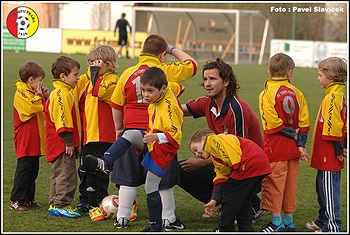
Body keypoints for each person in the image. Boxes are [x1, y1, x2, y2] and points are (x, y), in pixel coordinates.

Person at [86, 34, 197, 231]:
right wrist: (172, 50)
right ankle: (168, 218)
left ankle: (122, 217)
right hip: (159, 136)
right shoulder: (165, 71)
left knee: (128, 177)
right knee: (162, 181)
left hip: (133, 131)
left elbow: (116, 103)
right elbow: (192, 66)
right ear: (162, 55)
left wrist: (119, 128)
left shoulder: (128, 73)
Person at [178, 58, 264, 220]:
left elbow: (240, 154)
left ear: (226, 82)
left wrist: (203, 162)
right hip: (227, 162)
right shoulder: (207, 103)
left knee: (203, 168)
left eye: (213, 79)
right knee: (179, 169)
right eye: (205, 79)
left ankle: (251, 204)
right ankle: (221, 203)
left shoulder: (236, 109)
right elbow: (178, 110)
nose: (208, 83)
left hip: (251, 169)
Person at [258, 52, 310, 232]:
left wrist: (290, 134)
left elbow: (272, 123)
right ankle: (289, 222)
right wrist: (300, 142)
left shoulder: (266, 93)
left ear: (269, 72)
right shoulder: (298, 93)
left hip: (276, 147)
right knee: (290, 183)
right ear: (290, 73)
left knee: (275, 182)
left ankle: (277, 222)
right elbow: (304, 122)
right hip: (293, 149)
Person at [188, 128, 271, 232]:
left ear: (204, 139)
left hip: (249, 163)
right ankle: (246, 229)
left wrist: (235, 170)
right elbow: (221, 176)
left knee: (229, 192)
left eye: (196, 149)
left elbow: (232, 156)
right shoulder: (215, 155)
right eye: (194, 153)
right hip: (260, 165)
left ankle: (225, 228)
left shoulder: (214, 140)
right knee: (243, 200)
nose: (197, 154)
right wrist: (214, 200)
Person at [73, 45, 120, 221]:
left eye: (98, 62)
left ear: (109, 64)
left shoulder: (112, 80)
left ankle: (100, 202)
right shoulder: (89, 79)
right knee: (85, 170)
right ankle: (84, 201)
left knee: (102, 171)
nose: (93, 65)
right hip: (89, 135)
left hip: (106, 136)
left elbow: (100, 92)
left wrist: (94, 73)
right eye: (91, 62)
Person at [305, 57, 347, 233]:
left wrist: (338, 149)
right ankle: (323, 220)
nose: (318, 78)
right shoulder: (336, 95)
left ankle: (333, 227)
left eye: (320, 75)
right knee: (322, 189)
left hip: (329, 154)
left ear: (331, 77)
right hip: (327, 153)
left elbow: (333, 126)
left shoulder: (333, 97)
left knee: (329, 191)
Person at [45, 56, 82, 218]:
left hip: (55, 142)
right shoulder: (63, 93)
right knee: (67, 174)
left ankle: (54, 202)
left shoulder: (59, 91)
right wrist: (69, 142)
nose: (78, 78)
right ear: (63, 76)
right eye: (75, 74)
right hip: (61, 143)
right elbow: (63, 119)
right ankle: (61, 204)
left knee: (57, 174)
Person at [10, 61, 49, 211]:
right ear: (30, 80)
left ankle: (28, 199)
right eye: (40, 80)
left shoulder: (31, 92)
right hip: (24, 137)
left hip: (34, 138)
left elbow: (42, 106)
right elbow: (33, 107)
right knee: (24, 169)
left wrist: (42, 96)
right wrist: (40, 96)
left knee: (33, 170)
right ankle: (16, 199)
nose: (41, 84)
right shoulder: (21, 92)